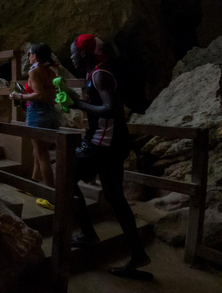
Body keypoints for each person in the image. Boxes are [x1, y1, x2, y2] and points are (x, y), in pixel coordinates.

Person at [69, 34, 150, 276]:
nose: (71, 56)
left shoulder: (99, 75)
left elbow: (111, 109)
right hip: (110, 144)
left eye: (73, 52)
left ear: (83, 53)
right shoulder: (94, 73)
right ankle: (138, 254)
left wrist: (78, 104)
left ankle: (87, 233)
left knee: (66, 177)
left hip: (103, 144)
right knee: (116, 197)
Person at [9, 43, 60, 210]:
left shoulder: (34, 71)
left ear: (35, 56)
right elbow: (50, 95)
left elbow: (39, 94)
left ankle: (51, 196)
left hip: (38, 114)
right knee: (37, 150)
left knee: (42, 154)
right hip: (51, 113)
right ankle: (33, 183)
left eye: (30, 54)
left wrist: (19, 96)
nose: (29, 56)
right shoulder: (50, 72)